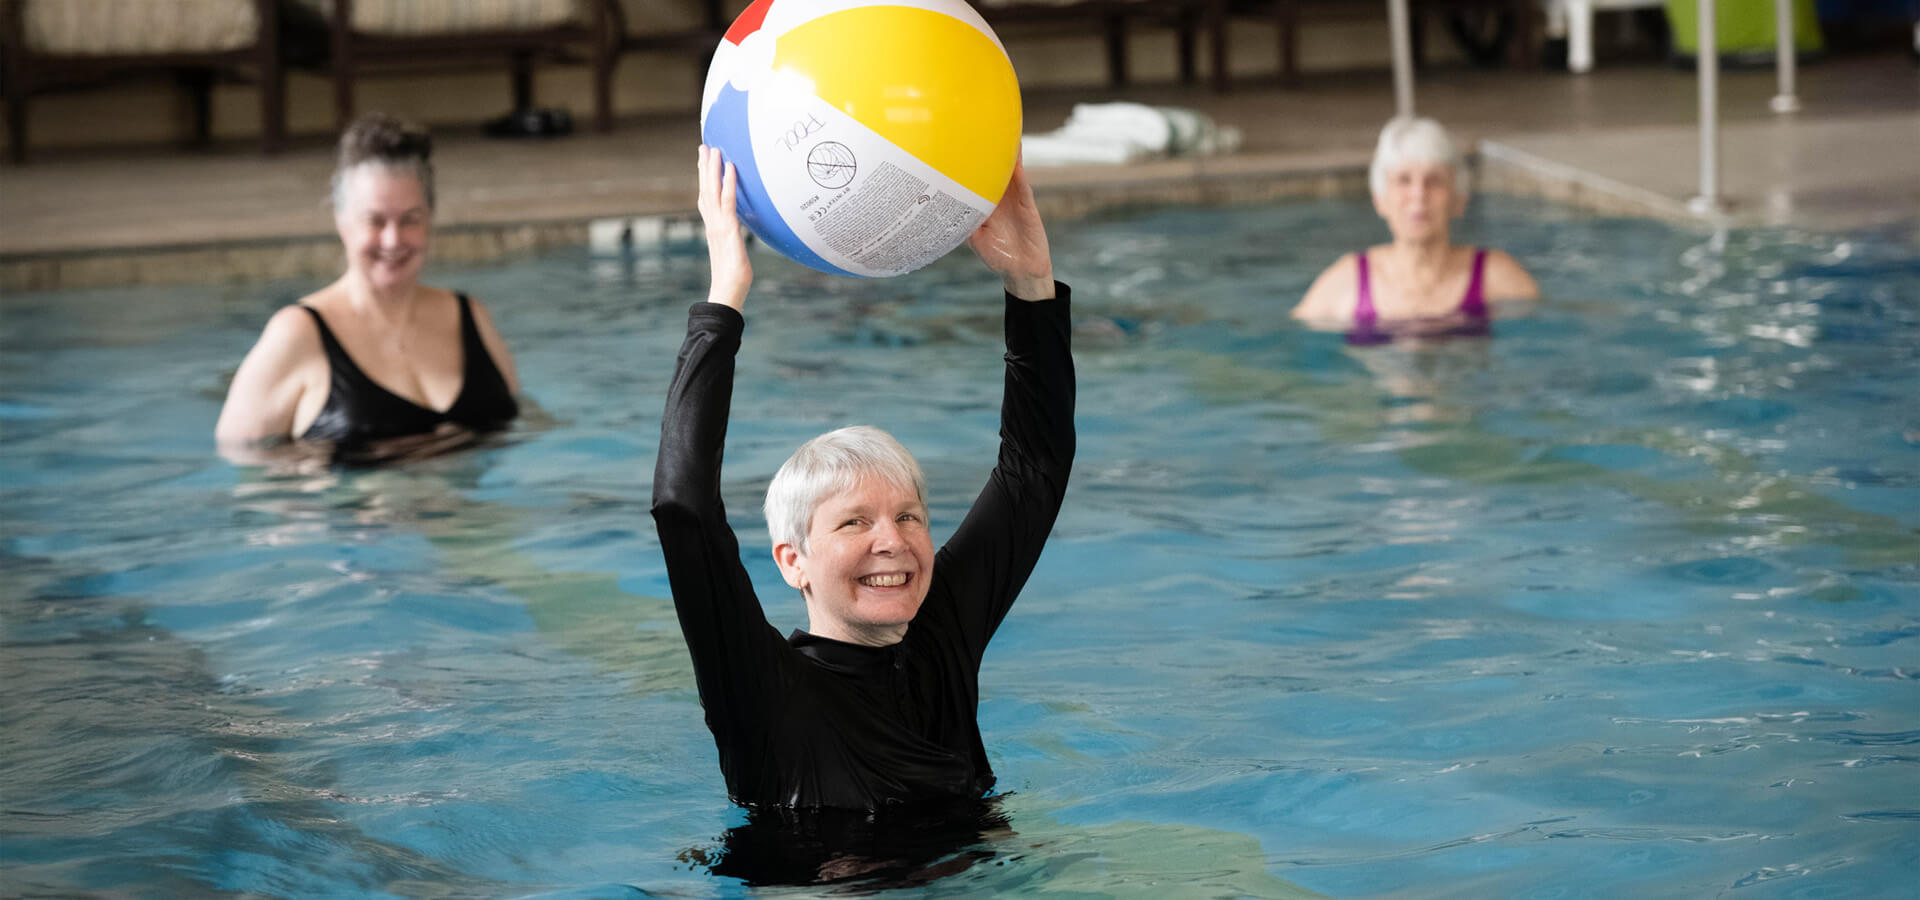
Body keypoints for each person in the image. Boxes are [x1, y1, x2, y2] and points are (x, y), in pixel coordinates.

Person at [651, 146, 1074, 813]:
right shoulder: (761, 690)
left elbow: (1035, 469)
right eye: (854, 521)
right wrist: (725, 296)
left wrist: (1032, 282)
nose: (894, 542)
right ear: (794, 562)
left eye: (909, 516)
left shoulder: (941, 636)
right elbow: (684, 508)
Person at [215, 113, 519, 462]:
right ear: (341, 221)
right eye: (374, 221)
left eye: (410, 220)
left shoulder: (471, 317)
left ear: (430, 219)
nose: (393, 240)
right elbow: (241, 466)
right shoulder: (297, 334)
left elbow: (524, 429)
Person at [1293, 117, 1540, 344]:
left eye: (1434, 181)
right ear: (1380, 199)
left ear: (1459, 199)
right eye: (1403, 180)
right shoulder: (1344, 284)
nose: (1418, 196)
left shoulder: (1498, 279)